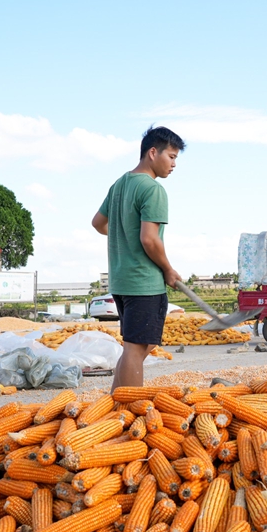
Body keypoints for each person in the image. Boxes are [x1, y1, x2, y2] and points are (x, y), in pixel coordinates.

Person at [92, 126, 186, 390]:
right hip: (143, 281)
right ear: (153, 152)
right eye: (171, 156)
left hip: (122, 282)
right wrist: (167, 269)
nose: (174, 164)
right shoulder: (152, 189)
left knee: (139, 344)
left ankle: (115, 403)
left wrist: (122, 236)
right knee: (136, 348)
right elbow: (149, 239)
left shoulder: (119, 185)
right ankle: (131, 408)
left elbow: (98, 223)